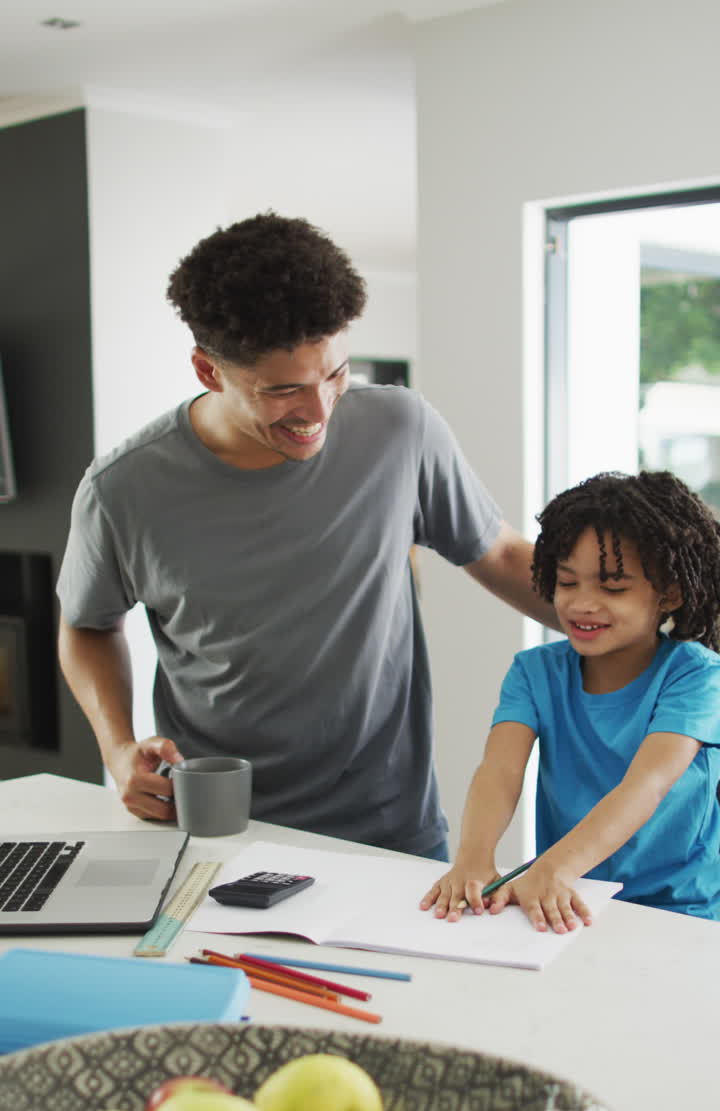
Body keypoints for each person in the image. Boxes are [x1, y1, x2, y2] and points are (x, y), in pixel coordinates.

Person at [57, 211, 555, 860]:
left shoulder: (400, 431)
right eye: (284, 390)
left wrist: (664, 624)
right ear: (208, 371)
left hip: (391, 836)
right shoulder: (122, 489)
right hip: (218, 836)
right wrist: (118, 749)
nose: (320, 412)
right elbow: (86, 624)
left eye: (334, 374)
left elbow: (506, 554)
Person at [421, 470, 720, 924]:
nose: (582, 603)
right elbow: (499, 770)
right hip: (570, 900)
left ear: (670, 594)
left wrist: (555, 867)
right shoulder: (534, 671)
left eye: (613, 587)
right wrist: (473, 858)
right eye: (567, 582)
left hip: (682, 910)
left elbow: (646, 786)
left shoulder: (697, 677)